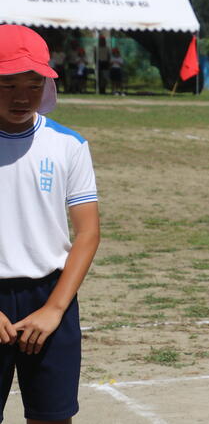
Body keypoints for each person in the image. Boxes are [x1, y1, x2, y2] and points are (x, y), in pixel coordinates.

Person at [0, 24, 100, 424]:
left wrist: (55, 308)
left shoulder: (68, 145)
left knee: (52, 416)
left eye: (34, 83)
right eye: (7, 84)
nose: (22, 96)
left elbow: (88, 232)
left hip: (51, 296)